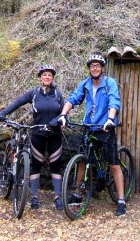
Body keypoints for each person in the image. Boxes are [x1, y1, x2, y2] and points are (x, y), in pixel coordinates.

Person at [57, 53, 127, 217]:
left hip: (105, 127)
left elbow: (114, 101)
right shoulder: (86, 84)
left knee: (113, 164)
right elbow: (73, 98)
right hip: (90, 126)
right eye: (92, 66)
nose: (94, 68)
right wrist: (63, 114)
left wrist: (110, 119)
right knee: (83, 159)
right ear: (89, 69)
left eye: (97, 65)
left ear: (102, 68)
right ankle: (77, 194)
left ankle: (121, 200)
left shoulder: (109, 83)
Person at [0, 64, 65, 211]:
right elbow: (18, 102)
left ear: (52, 78)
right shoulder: (34, 93)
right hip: (37, 134)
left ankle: (57, 197)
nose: (47, 77)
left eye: (49, 75)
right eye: (44, 75)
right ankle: (34, 197)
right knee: (36, 165)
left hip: (55, 134)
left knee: (55, 165)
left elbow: (64, 112)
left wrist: (58, 120)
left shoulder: (58, 94)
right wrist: (3, 113)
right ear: (40, 77)